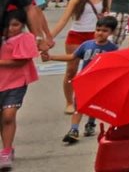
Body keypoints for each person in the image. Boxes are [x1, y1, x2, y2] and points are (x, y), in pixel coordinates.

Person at [44, 15, 119, 144]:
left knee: (94, 105)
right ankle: (73, 130)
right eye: (98, 29)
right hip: (84, 81)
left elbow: (115, 67)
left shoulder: (112, 49)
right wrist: (51, 57)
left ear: (111, 32)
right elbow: (72, 57)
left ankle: (90, 124)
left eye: (105, 30)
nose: (100, 33)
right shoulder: (86, 45)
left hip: (100, 83)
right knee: (79, 105)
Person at [49, 0, 110, 114]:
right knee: (71, 70)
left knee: (93, 71)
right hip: (76, 35)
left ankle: (87, 99)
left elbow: (106, 18)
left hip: (96, 36)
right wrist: (49, 38)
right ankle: (69, 101)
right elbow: (64, 20)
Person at [0, 10, 38, 169]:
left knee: (8, 115)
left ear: (23, 25)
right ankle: (7, 149)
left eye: (15, 25)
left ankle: (6, 151)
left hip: (16, 82)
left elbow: (21, 61)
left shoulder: (25, 38)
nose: (11, 28)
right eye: (8, 25)